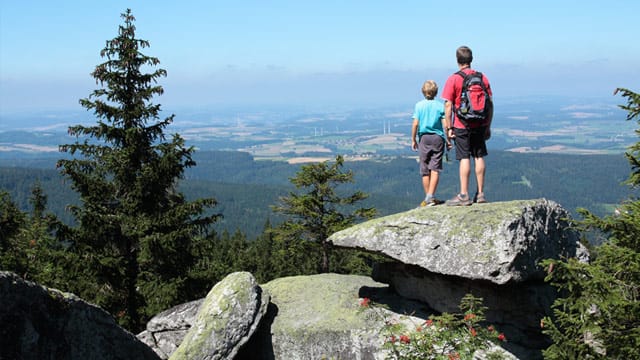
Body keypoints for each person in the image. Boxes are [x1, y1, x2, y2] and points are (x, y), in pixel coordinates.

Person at [442, 46, 493, 206]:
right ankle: (481, 193)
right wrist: (487, 126)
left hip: (461, 124)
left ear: (458, 60)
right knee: (478, 156)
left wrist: (449, 128)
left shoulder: (453, 79)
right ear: (471, 59)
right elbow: (490, 104)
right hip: (479, 123)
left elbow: (448, 105)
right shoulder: (482, 77)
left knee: (464, 157)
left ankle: (464, 195)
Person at [411, 80, 451, 207]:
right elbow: (445, 125)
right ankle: (431, 197)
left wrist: (413, 139)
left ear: (423, 91)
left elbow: (416, 124)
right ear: (436, 92)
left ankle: (428, 197)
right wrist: (448, 140)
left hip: (424, 138)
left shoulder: (419, 105)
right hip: (438, 138)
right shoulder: (440, 106)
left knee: (425, 169)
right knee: (435, 168)